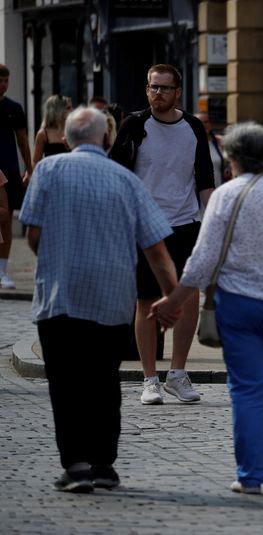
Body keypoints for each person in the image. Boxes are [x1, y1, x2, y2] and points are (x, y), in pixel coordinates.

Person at [150, 122, 263, 494]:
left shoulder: (224, 196)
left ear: (231, 159)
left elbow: (202, 259)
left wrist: (173, 301)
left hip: (241, 306)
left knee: (248, 389)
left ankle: (250, 475)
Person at [18, 107, 177, 492]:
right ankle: (104, 464)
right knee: (105, 382)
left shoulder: (48, 172)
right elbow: (155, 248)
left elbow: (33, 234)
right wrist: (172, 295)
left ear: (67, 139)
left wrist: (56, 261)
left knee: (66, 383)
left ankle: (75, 467)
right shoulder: (127, 180)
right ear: (104, 139)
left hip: (61, 298)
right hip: (111, 299)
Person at [110, 64, 215, 405]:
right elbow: (117, 175)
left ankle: (177, 374)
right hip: (144, 226)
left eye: (165, 88)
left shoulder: (193, 128)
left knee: (188, 298)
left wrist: (212, 221)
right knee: (145, 301)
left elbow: (204, 180)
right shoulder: (134, 125)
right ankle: (149, 378)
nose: (158, 94)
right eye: (153, 87)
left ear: (178, 92)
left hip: (185, 223)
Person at [0, 63, 33, 289]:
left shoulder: (14, 108)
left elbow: (22, 139)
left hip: (9, 170)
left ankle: (2, 270)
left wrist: (29, 167)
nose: (3, 85)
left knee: (5, 219)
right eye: (0, 80)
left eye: (6, 80)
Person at [32, 95, 72, 168]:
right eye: (68, 108)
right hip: (51, 174)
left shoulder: (72, 130)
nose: (71, 110)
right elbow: (35, 161)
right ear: (58, 110)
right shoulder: (43, 134)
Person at [196, 111, 230, 188]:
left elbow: (231, 162)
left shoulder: (220, 143)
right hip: (197, 195)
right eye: (199, 122)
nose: (203, 125)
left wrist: (228, 168)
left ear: (211, 125)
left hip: (218, 190)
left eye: (206, 122)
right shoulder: (188, 144)